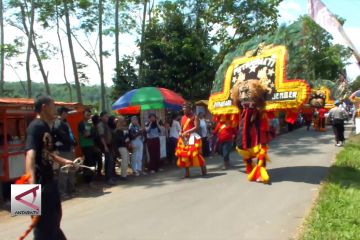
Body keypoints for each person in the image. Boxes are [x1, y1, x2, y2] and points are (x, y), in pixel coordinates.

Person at [24, 95, 74, 239]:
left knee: (53, 223)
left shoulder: (46, 126)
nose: (55, 109)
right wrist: (30, 192)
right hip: (38, 184)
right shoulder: (35, 126)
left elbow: (48, 153)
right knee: (44, 230)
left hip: (48, 181)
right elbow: (29, 155)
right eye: (53, 105)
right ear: (44, 107)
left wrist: (65, 161)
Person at [176, 102, 207, 178]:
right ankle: (187, 173)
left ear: (189, 109)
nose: (184, 110)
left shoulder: (195, 117)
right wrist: (180, 132)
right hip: (184, 138)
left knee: (196, 154)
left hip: (193, 137)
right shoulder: (183, 118)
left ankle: (203, 169)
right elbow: (182, 127)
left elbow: (196, 127)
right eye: (183, 109)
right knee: (184, 154)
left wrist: (187, 131)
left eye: (185, 109)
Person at [53, 106, 77, 197]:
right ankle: (62, 191)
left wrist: (74, 142)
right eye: (66, 112)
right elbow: (64, 137)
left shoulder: (64, 122)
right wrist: (72, 142)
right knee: (64, 170)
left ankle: (71, 188)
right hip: (63, 150)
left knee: (71, 169)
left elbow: (69, 135)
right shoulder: (58, 123)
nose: (67, 114)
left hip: (69, 148)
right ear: (63, 113)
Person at [78, 109, 101, 186]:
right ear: (83, 114)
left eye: (89, 114)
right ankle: (89, 180)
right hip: (85, 145)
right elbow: (86, 135)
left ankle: (90, 179)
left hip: (91, 145)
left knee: (91, 162)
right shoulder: (81, 123)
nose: (88, 116)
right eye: (87, 114)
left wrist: (91, 134)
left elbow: (93, 134)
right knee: (89, 162)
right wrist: (92, 134)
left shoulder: (90, 124)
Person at [98, 111, 116, 185]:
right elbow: (101, 136)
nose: (107, 118)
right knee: (109, 161)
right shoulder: (100, 124)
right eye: (106, 116)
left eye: (108, 116)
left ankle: (109, 177)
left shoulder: (106, 124)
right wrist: (105, 146)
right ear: (101, 117)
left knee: (110, 161)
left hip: (109, 145)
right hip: (105, 145)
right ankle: (108, 178)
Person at [113, 116, 130, 180]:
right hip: (120, 147)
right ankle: (123, 176)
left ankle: (124, 174)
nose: (123, 122)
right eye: (122, 121)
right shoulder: (118, 130)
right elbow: (120, 139)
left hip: (123, 146)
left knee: (126, 160)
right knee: (125, 160)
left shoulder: (121, 129)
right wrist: (126, 137)